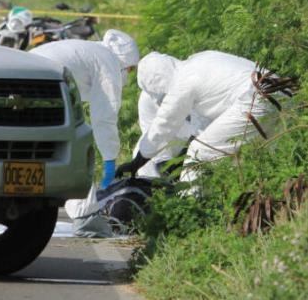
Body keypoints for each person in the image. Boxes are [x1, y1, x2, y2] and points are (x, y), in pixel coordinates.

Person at [117, 51, 284, 184]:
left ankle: (192, 208)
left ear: (158, 84)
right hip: (280, 88)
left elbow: (163, 127)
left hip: (255, 99)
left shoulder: (181, 86)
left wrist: (136, 163)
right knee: (265, 150)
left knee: (199, 153)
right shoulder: (200, 59)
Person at [31, 29, 140, 189]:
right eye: (130, 69)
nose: (128, 74)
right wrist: (110, 161)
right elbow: (105, 116)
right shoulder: (108, 62)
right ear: (124, 61)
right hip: (41, 79)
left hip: (26, 68)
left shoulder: (92, 50)